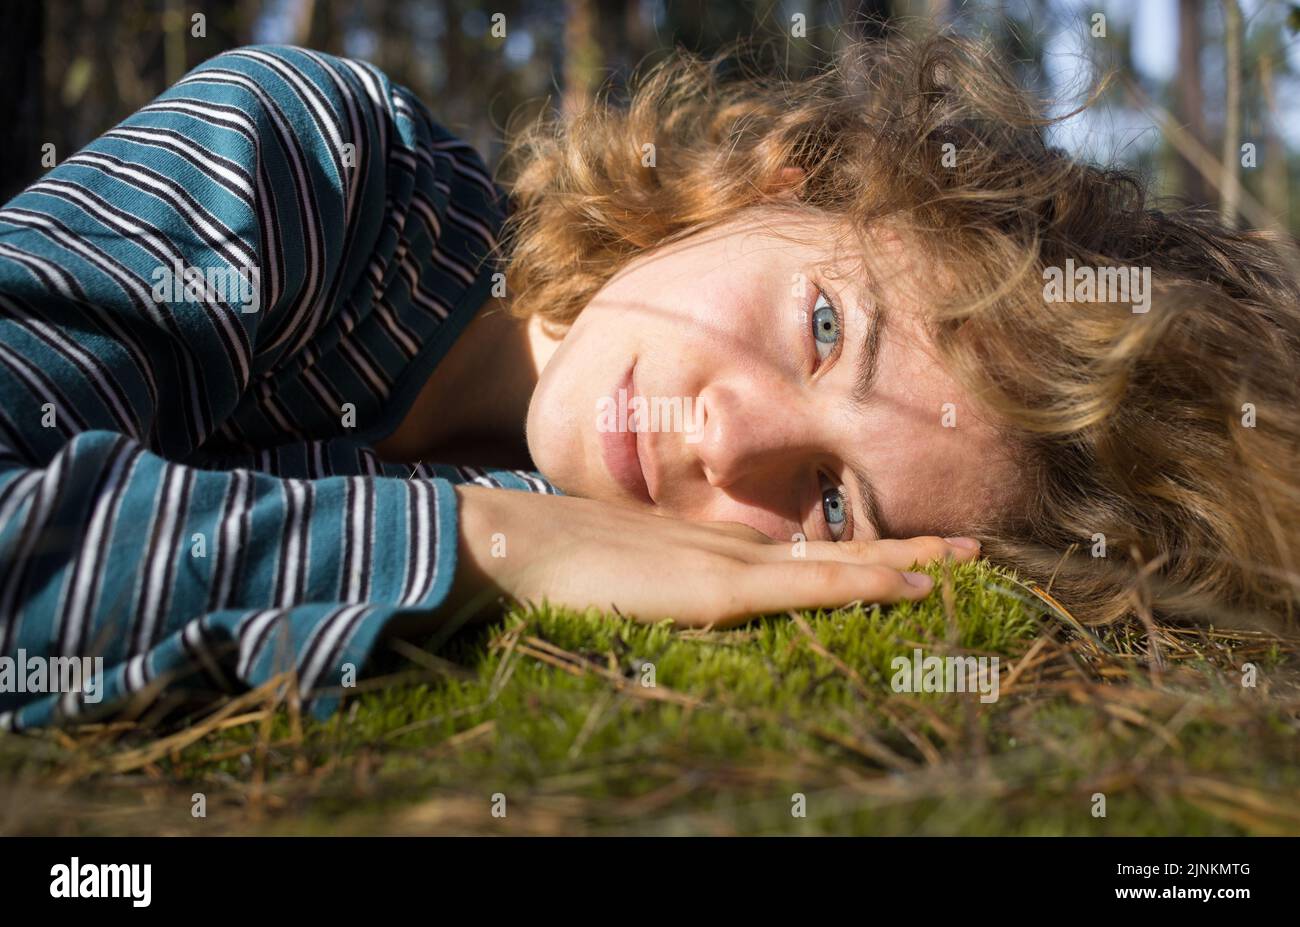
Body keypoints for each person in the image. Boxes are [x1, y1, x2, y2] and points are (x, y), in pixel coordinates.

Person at [1, 33, 1295, 730]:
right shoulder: (302, 165)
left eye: (832, 506)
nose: (729, 442)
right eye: (827, 328)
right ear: (786, 181)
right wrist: (485, 539)